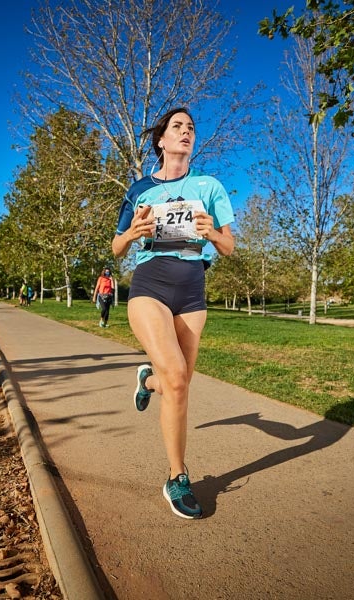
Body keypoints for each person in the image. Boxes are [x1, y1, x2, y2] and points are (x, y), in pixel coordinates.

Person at [112, 108, 235, 519]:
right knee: (179, 378)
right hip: (150, 284)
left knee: (177, 383)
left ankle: (147, 378)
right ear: (161, 140)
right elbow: (116, 247)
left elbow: (229, 247)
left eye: (191, 129)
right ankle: (177, 476)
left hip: (192, 290)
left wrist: (210, 232)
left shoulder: (210, 186)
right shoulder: (139, 190)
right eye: (177, 128)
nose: (185, 133)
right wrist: (133, 233)